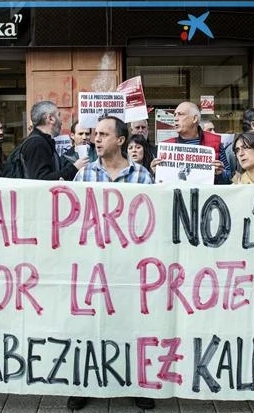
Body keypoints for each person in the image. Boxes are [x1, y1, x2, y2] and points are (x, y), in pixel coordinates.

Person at [69, 116, 154, 411]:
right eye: (95, 134)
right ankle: (84, 383)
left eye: (104, 134)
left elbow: (149, 220)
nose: (96, 139)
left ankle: (136, 384)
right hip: (93, 265)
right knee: (89, 327)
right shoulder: (84, 176)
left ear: (120, 140)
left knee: (131, 325)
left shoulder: (142, 176)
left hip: (129, 266)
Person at [151, 102, 231, 184]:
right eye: (174, 115)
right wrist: (155, 173)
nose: (175, 118)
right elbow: (159, 185)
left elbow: (229, 178)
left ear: (194, 119)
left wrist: (220, 173)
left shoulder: (214, 143)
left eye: (180, 114)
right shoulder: (166, 148)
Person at [19, 101, 88, 180]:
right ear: (50, 118)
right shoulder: (37, 143)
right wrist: (74, 168)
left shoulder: (43, 141)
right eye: (58, 115)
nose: (61, 121)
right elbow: (42, 180)